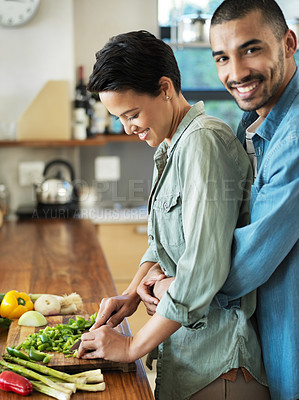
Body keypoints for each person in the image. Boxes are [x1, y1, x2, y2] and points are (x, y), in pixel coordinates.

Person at [77, 30, 270, 399]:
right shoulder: (169, 146)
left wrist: (132, 348)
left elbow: (202, 269)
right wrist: (131, 295)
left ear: (165, 88)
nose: (127, 127)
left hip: (218, 364)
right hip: (188, 356)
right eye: (119, 118)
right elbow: (161, 244)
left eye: (131, 114)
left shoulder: (202, 142)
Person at [139, 1, 299, 399]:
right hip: (270, 341)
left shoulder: (293, 139)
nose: (236, 72)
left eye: (251, 49)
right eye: (222, 58)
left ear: (289, 43)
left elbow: (248, 259)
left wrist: (172, 289)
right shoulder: (254, 124)